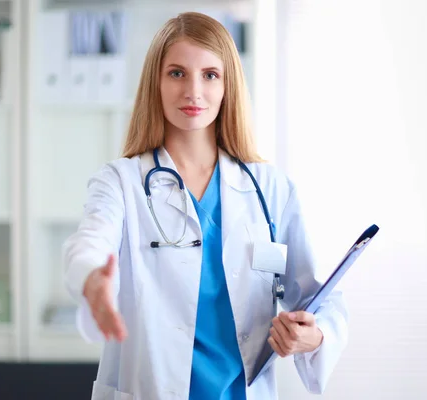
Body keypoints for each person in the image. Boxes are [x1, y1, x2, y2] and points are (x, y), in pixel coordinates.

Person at [62, 11, 348, 400]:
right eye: (177, 73)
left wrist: (311, 336)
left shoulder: (271, 188)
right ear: (155, 84)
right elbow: (90, 240)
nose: (192, 91)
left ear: (228, 85)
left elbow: (321, 298)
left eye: (210, 74)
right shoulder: (123, 182)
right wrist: (93, 277)